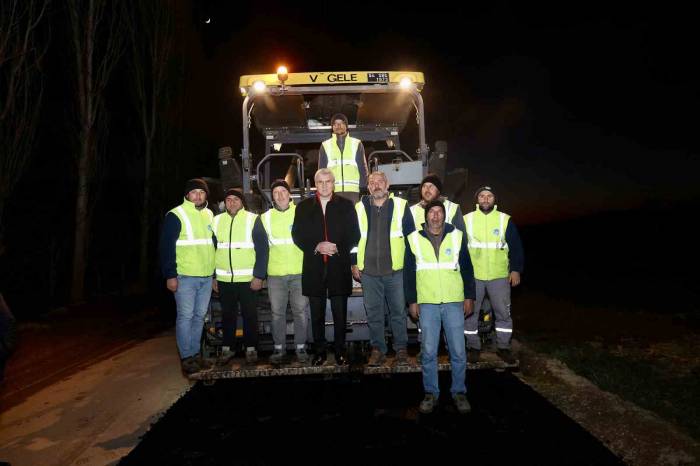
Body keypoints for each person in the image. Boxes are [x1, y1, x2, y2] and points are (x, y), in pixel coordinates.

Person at [404, 200, 476, 414]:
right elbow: (409, 274)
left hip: (454, 301)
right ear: (426, 216)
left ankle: (459, 392)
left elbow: (467, 268)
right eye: (432, 212)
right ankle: (431, 393)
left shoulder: (457, 236)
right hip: (427, 303)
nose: (435, 216)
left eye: (439, 212)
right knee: (428, 351)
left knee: (458, 351)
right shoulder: (414, 239)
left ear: (444, 216)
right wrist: (412, 301)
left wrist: (469, 296)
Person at [292, 168, 360, 366]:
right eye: (320, 182)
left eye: (328, 181)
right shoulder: (303, 207)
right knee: (317, 314)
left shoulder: (346, 206)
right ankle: (319, 352)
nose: (324, 185)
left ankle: (340, 351)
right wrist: (316, 246)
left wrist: (338, 247)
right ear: (315, 184)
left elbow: (354, 234)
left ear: (334, 183)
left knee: (340, 314)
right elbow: (297, 235)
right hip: (314, 268)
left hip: (339, 267)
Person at [351, 171, 414, 367]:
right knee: (374, 313)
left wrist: (411, 266)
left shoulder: (401, 206)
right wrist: (354, 262)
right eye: (372, 182)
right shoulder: (359, 208)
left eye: (380, 182)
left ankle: (401, 349)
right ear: (368, 187)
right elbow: (354, 239)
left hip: (395, 271)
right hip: (368, 272)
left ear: (387, 185)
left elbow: (411, 239)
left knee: (398, 312)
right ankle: (378, 350)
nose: (376, 185)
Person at [160, 178, 216, 375]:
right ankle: (186, 357)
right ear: (187, 195)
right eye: (194, 192)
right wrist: (170, 275)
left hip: (206, 277)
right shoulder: (176, 215)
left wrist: (215, 275)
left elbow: (213, 246)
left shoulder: (210, 214)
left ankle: (195, 355)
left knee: (199, 317)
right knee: (186, 316)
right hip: (185, 277)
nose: (198, 196)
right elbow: (167, 248)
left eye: (202, 192)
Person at [463, 186, 524, 365]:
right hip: (475, 276)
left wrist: (515, 269)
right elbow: (460, 249)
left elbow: (516, 247)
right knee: (469, 314)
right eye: (482, 196)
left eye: (489, 196)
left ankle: (503, 347)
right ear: (477, 200)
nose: (485, 199)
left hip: (499, 276)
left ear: (494, 199)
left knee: (503, 313)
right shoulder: (467, 219)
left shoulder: (504, 219)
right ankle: (473, 347)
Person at [212, 188, 268, 365]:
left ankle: (251, 348)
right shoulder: (216, 221)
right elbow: (211, 250)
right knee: (227, 315)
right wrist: (214, 276)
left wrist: (259, 275)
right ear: (224, 203)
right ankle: (227, 349)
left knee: (250, 314)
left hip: (247, 279)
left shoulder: (252, 219)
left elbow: (262, 250)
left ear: (242, 202)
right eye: (228, 199)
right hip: (224, 279)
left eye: (236, 199)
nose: (232, 202)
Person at [261, 180, 310, 365]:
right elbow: (260, 248)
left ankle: (301, 348)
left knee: (300, 312)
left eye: (283, 191)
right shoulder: (265, 218)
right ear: (271, 197)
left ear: (290, 195)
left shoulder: (301, 213)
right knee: (277, 313)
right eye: (276, 192)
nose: (280, 195)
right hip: (275, 275)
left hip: (299, 273)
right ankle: (279, 349)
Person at [318, 113, 369, 203]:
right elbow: (321, 171)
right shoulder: (325, 145)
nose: (338, 126)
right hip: (332, 192)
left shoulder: (357, 143)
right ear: (332, 127)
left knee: (353, 217)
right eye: (335, 124)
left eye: (341, 123)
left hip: (353, 192)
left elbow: (363, 168)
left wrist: (363, 189)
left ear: (346, 126)